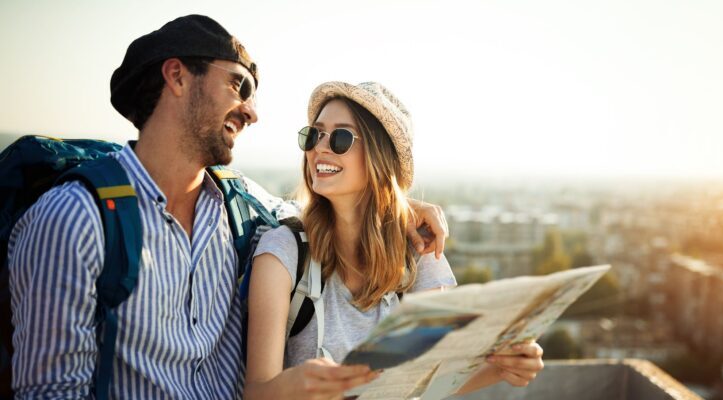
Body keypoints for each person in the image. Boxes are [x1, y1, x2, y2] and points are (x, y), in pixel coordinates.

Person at [7, 15, 448, 399]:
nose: (252, 112)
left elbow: (327, 210)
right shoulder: (72, 221)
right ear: (177, 77)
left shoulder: (241, 208)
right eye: (240, 85)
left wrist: (400, 205)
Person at [243, 82, 544, 399]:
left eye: (341, 137)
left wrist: (503, 366)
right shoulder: (283, 252)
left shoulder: (418, 252)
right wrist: (298, 384)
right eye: (314, 134)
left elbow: (431, 376)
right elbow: (256, 391)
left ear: (379, 157)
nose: (320, 147)